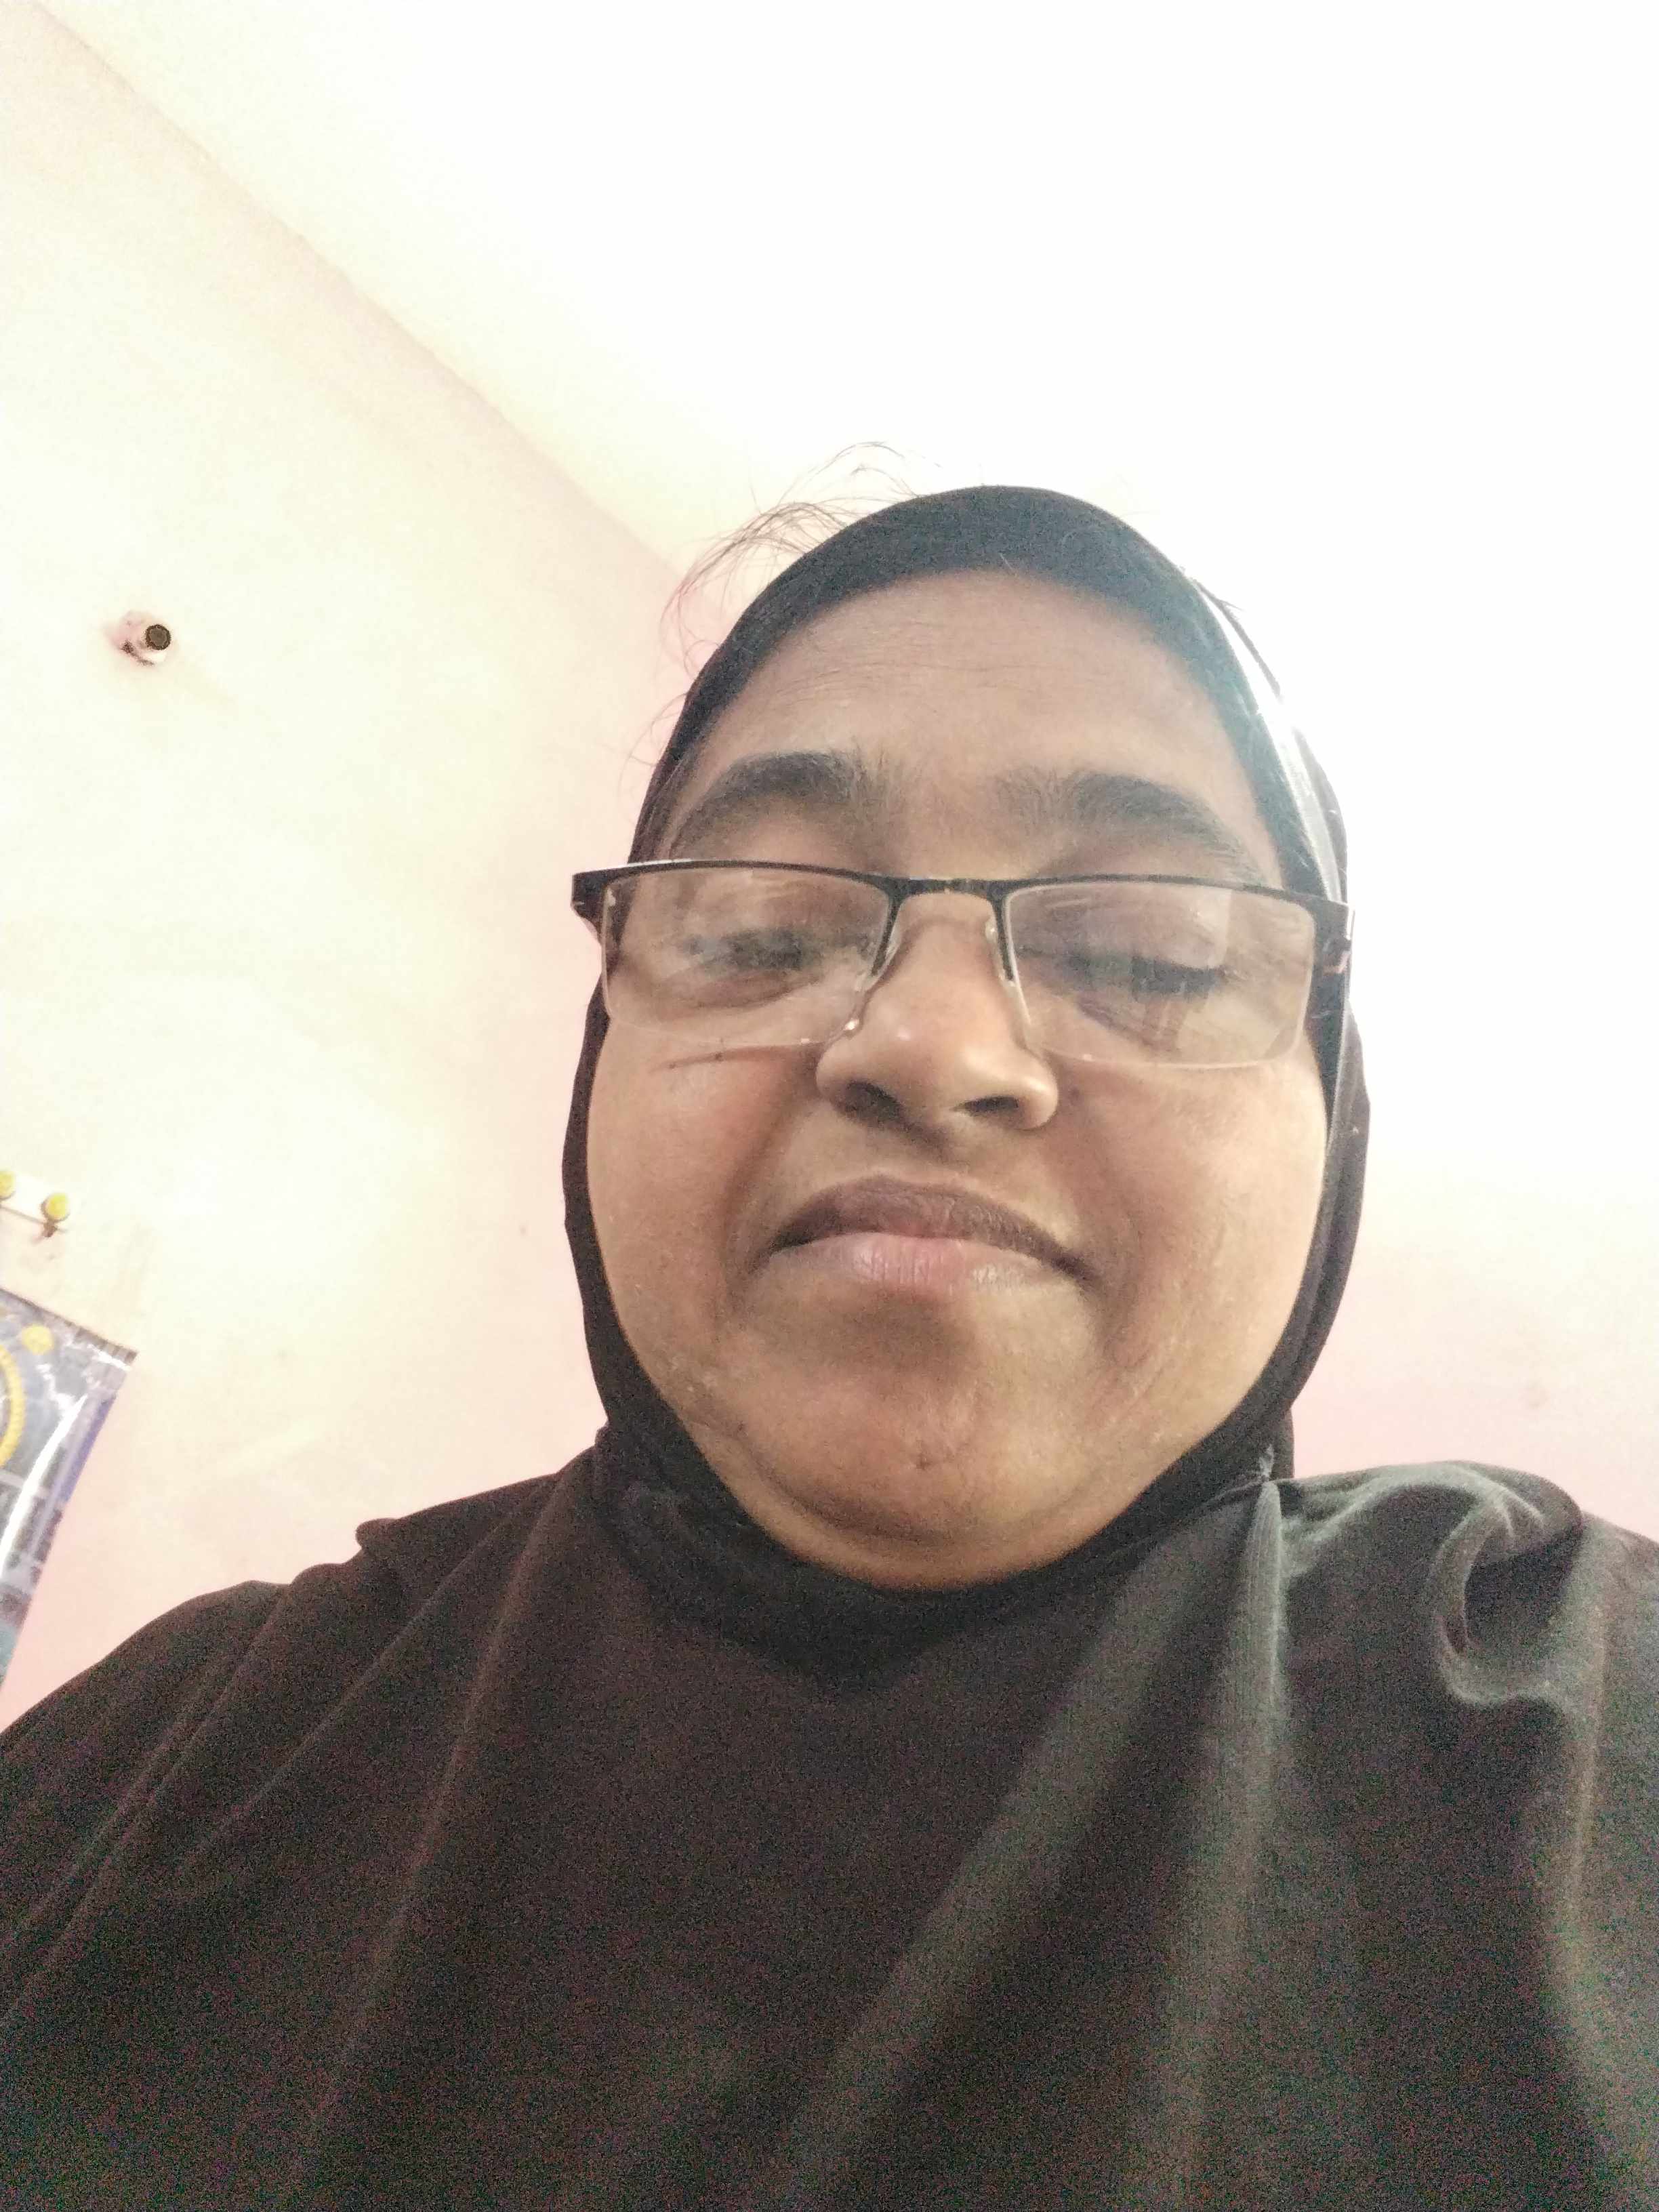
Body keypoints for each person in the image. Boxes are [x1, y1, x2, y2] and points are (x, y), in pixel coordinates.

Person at [1, 485, 1654, 2211]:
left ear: (1334, 1107)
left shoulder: (1572, 1762)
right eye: (757, 935)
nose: (931, 1044)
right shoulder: (169, 1764)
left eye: (1149, 954)